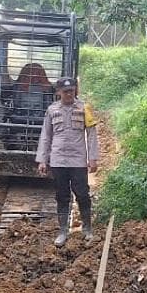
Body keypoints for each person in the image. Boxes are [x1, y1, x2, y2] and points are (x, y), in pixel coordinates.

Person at [35, 77, 99, 246]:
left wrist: (92, 158)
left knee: (82, 194)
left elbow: (92, 134)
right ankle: (63, 231)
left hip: (78, 160)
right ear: (58, 93)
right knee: (62, 196)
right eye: (65, 91)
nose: (69, 94)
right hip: (58, 161)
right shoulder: (52, 110)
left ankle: (87, 229)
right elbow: (46, 136)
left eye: (72, 90)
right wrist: (43, 159)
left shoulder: (85, 108)